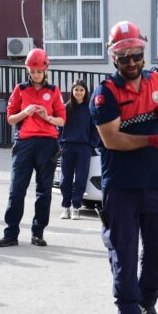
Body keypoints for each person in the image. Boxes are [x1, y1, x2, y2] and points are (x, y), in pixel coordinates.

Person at [89, 20, 158, 314]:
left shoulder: (156, 80)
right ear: (114, 58)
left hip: (156, 182)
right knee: (124, 251)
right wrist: (149, 141)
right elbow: (112, 139)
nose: (131, 63)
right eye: (124, 56)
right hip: (122, 185)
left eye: (136, 55)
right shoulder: (105, 93)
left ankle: (148, 302)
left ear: (143, 53)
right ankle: (128, 312)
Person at [0, 48, 65, 247]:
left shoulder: (54, 91)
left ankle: (38, 232)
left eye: (39, 71)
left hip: (47, 144)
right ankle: (11, 234)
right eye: (32, 71)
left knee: (44, 191)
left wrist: (47, 117)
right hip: (25, 143)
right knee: (17, 189)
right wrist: (25, 113)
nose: (36, 74)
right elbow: (10, 119)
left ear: (46, 70)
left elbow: (62, 120)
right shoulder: (20, 89)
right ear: (28, 70)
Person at [58, 79, 98, 221]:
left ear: (85, 92)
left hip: (84, 148)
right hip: (67, 147)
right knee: (65, 180)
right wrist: (60, 144)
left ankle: (76, 207)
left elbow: (95, 129)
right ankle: (66, 207)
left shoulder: (90, 109)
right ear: (72, 91)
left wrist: (91, 144)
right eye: (76, 90)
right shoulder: (65, 108)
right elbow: (59, 128)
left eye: (81, 90)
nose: (79, 92)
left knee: (81, 178)